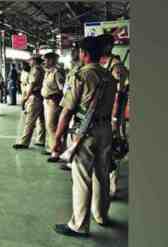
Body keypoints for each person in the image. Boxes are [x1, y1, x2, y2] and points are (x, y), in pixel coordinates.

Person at [52, 36, 116, 237]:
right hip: (106, 130)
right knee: (102, 175)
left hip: (85, 133)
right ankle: (101, 215)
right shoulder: (110, 77)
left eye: (80, 52)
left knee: (82, 178)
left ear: (85, 54)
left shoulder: (79, 76)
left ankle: (79, 225)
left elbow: (67, 111)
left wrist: (57, 138)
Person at [97, 34, 130, 199]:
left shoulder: (116, 67)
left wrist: (115, 119)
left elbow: (119, 95)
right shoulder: (100, 64)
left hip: (112, 115)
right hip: (100, 115)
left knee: (112, 150)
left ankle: (112, 187)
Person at [13, 56, 46, 149]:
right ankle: (41, 140)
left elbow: (32, 84)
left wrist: (25, 98)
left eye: (30, 60)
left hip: (35, 97)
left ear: (34, 61)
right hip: (41, 96)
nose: (29, 62)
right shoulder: (42, 69)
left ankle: (24, 142)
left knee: (30, 120)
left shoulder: (35, 69)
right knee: (41, 120)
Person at [41, 52, 65, 159]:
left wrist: (57, 101)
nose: (44, 62)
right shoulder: (48, 72)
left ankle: (56, 152)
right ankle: (51, 148)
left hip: (53, 102)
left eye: (46, 60)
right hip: (46, 102)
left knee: (53, 126)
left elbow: (62, 89)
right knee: (49, 126)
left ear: (51, 60)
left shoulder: (57, 72)